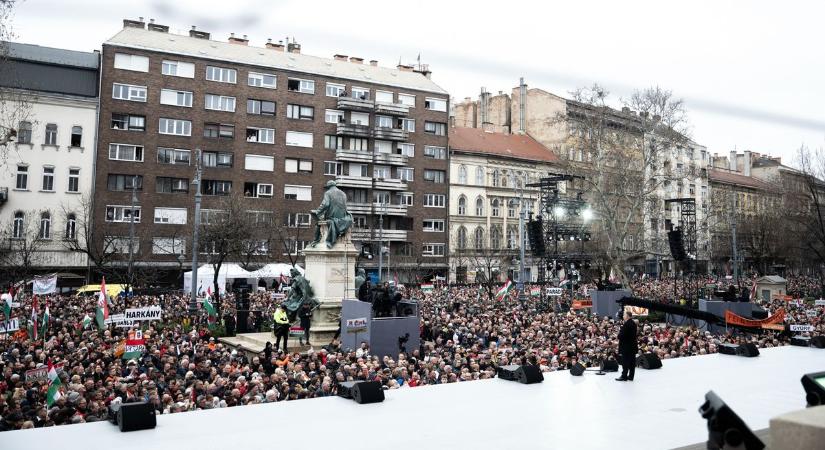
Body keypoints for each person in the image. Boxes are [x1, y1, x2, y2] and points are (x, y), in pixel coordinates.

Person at [616, 310, 638, 382]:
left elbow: (622, 336)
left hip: (626, 347)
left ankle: (624, 376)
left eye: (624, 315)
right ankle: (631, 376)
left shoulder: (627, 324)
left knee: (625, 362)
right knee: (632, 362)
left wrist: (618, 335)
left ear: (627, 316)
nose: (623, 316)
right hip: (632, 346)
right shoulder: (633, 323)